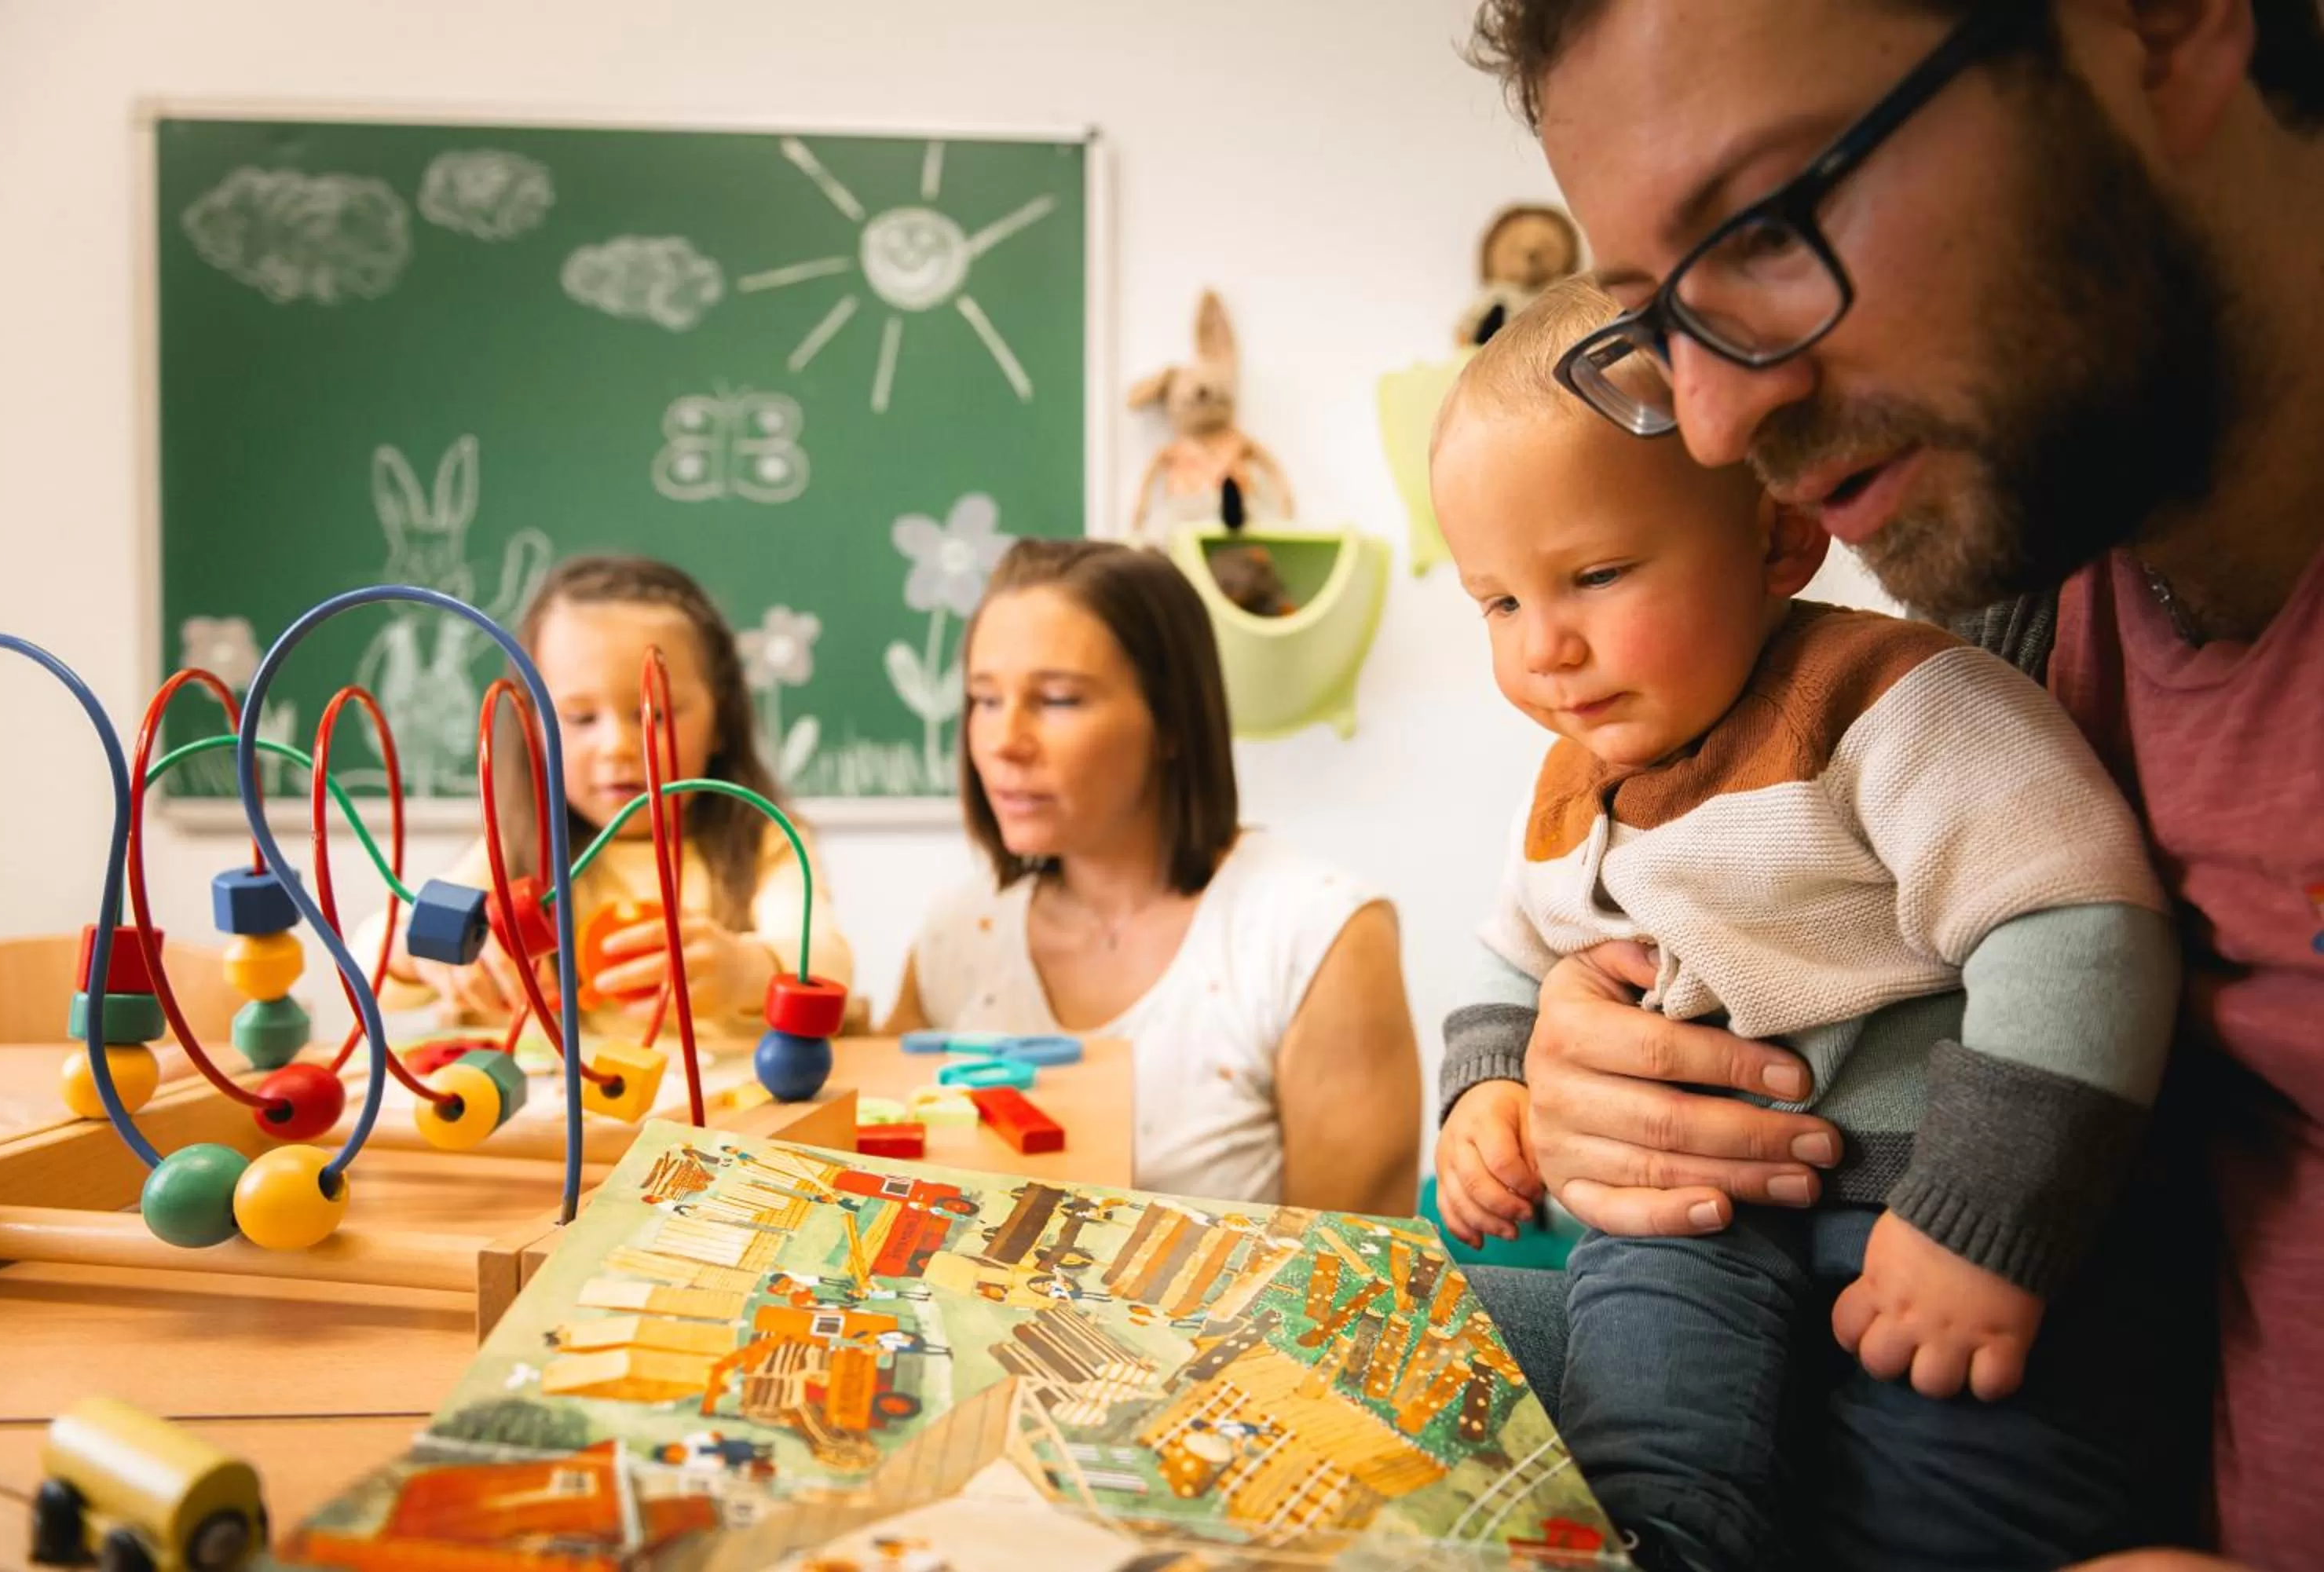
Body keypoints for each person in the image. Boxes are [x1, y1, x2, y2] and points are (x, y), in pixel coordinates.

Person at [1458, 1, 2324, 1563]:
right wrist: (1565, 1076)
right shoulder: (2018, 595)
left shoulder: (1921, 698)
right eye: (1659, 328)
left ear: (2168, 22)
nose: (1715, 420)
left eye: (1773, 227)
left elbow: (2069, 957)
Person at [1429, 279, 2178, 1569]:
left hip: (1930, 1205)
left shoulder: (1897, 706)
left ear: (1780, 542)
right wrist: (1484, 1091)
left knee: (1949, 1480)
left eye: (1595, 575)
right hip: (1695, 1213)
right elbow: (1519, 947)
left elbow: (2081, 926)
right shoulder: (1572, 781)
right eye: (1497, 602)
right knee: (1636, 1434)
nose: (1544, 647)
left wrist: (1984, 1219)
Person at [884, 538, 1421, 1212]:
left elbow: (1348, 1285)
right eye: (985, 701)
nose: (1003, 743)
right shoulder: (959, 933)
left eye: (1056, 700)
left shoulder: (1318, 937)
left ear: (1171, 721)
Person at [379, 555, 853, 1034]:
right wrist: (422, 957)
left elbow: (829, 964)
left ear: (720, 724)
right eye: (581, 718)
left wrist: (745, 970)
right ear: (533, 728)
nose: (618, 747)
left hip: (728, 1103)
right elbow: (374, 950)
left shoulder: (761, 841)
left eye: (657, 716)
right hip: (553, 1106)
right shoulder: (517, 849)